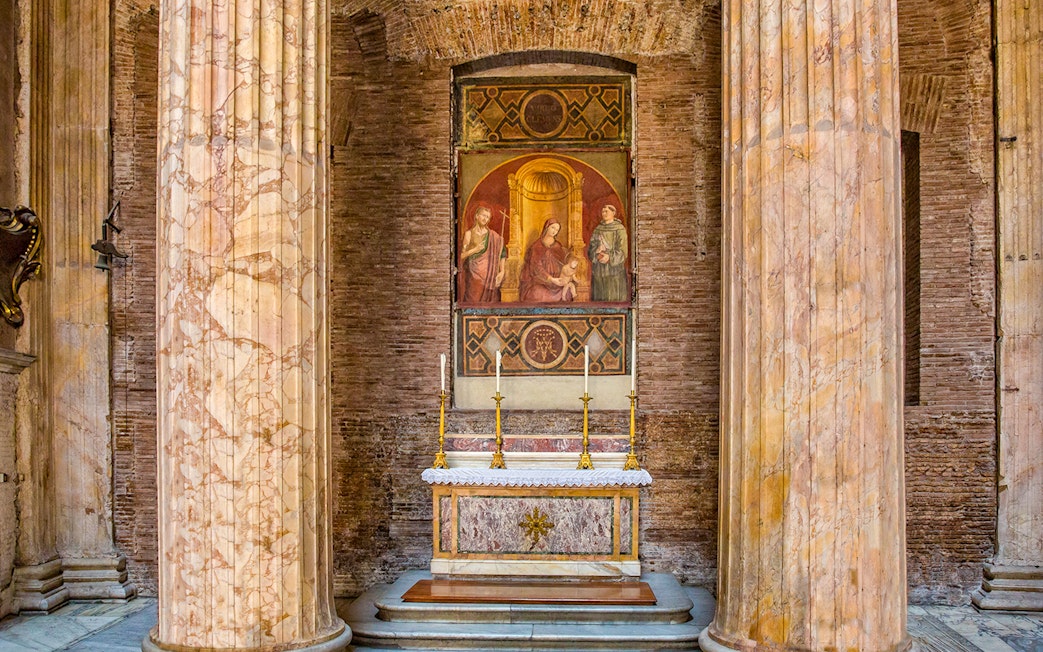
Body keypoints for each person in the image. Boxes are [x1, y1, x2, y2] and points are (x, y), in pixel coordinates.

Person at [519, 218, 573, 303]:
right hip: (541, 282)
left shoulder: (558, 246)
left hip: (557, 283)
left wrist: (563, 277)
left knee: (568, 293)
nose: (554, 231)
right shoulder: (537, 246)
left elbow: (564, 263)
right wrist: (550, 279)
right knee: (536, 294)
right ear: (547, 227)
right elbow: (536, 267)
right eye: (553, 228)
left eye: (557, 229)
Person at [460, 206, 506, 303]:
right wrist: (475, 250)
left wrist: (502, 271)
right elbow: (461, 256)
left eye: (488, 217)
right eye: (483, 216)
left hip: (490, 276)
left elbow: (502, 254)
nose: (485, 219)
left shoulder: (494, 236)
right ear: (476, 216)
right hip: (473, 276)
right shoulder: (469, 234)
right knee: (472, 300)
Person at [587, 203, 628, 301]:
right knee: (599, 297)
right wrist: (596, 252)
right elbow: (591, 249)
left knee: (613, 296)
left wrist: (609, 257)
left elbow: (623, 250)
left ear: (613, 213)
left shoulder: (619, 229)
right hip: (598, 270)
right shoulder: (598, 229)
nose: (604, 213)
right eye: (602, 211)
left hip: (614, 270)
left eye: (606, 211)